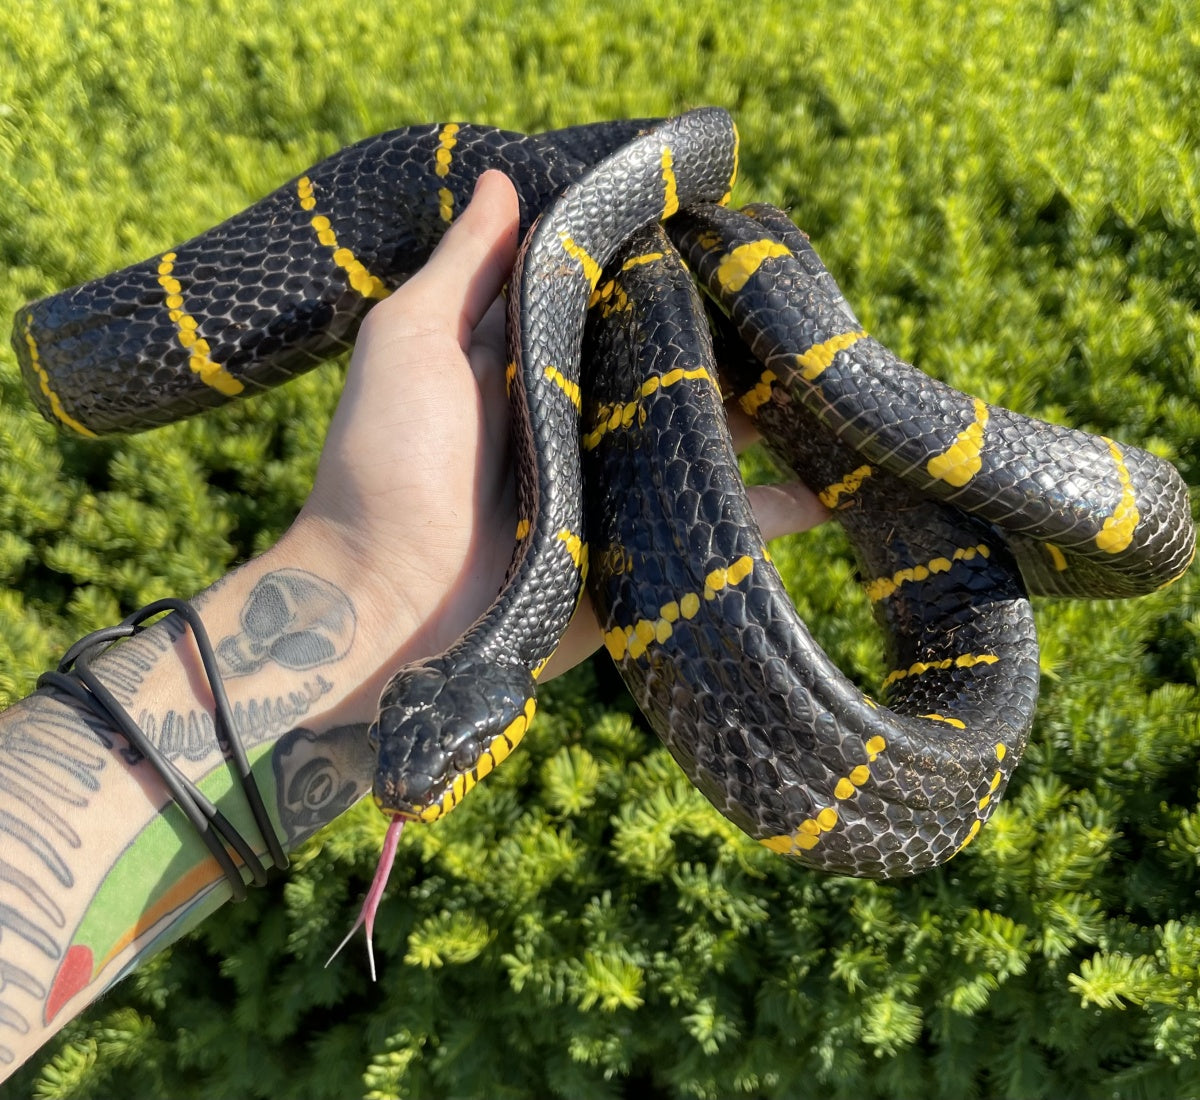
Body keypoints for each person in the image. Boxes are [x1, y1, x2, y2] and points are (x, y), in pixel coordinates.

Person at [0, 171, 826, 1079]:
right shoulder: (526, 597)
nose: (417, 797)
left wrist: (376, 571)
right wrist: (377, 575)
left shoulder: (528, 607)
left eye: (459, 760)